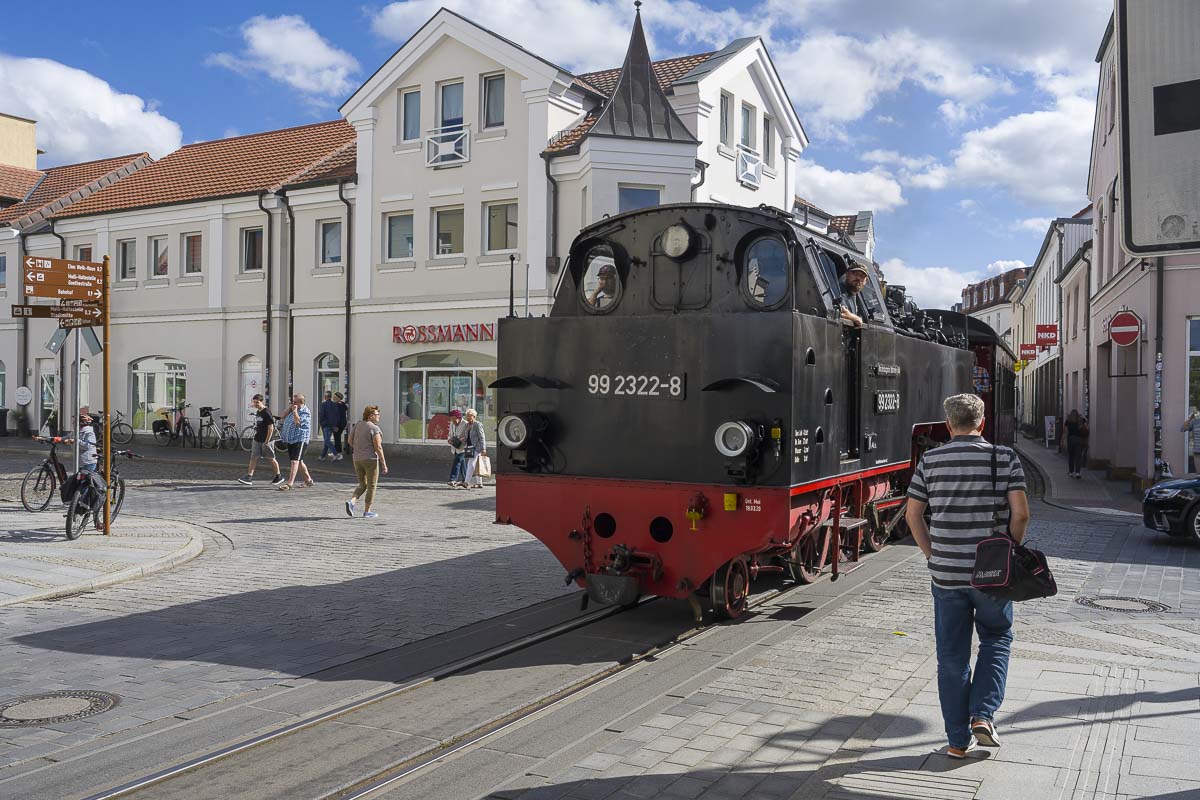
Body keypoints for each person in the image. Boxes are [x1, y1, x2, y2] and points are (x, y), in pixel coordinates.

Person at [905, 393, 1030, 759]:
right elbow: (1021, 514)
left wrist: (932, 554)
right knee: (996, 638)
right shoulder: (1004, 457)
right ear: (982, 422)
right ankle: (983, 716)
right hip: (992, 574)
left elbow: (913, 515)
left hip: (946, 575)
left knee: (951, 657)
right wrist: (1007, 550)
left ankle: (957, 742)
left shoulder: (930, 460)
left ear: (948, 425)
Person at [346, 405, 388, 518]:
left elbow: (349, 440)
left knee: (362, 484)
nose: (379, 416)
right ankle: (367, 511)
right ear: (370, 416)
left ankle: (351, 502)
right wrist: (383, 463)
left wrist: (359, 448)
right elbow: (378, 447)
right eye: (377, 414)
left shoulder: (358, 425)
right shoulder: (374, 428)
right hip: (370, 460)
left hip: (357, 459)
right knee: (371, 486)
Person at [238, 394, 282, 486]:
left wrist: (267, 441)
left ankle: (278, 476)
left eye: (257, 402)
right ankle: (249, 477)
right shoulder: (258, 411)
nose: (255, 404)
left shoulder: (267, 412)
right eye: (254, 402)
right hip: (257, 438)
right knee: (253, 457)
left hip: (267, 440)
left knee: (271, 458)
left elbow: (271, 427)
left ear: (262, 402)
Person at [277, 393, 313, 491]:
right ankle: (308, 480)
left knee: (294, 461)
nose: (292, 403)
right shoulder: (292, 409)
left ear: (300, 402)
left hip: (300, 439)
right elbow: (282, 416)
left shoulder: (305, 412)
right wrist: (290, 408)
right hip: (291, 440)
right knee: (299, 461)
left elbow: (298, 423)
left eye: (294, 402)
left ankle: (290, 483)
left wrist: (295, 411)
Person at [839, 262, 871, 328]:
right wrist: (855, 318)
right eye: (855, 274)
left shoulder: (860, 298)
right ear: (847, 274)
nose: (858, 278)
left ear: (866, 281)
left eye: (862, 276)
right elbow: (841, 311)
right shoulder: (839, 290)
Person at [462, 408, 488, 489]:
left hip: (477, 447)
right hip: (469, 447)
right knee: (476, 464)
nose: (467, 418)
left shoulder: (477, 424)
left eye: (469, 416)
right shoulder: (466, 425)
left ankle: (466, 482)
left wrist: (483, 448)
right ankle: (479, 483)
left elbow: (482, 437)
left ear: (474, 416)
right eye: (467, 416)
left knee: (471, 463)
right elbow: (466, 436)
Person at [446, 409, 469, 488]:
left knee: (457, 461)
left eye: (454, 418)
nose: (452, 420)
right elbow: (450, 433)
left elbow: (467, 435)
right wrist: (449, 439)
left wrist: (462, 439)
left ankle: (453, 479)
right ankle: (466, 480)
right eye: (451, 418)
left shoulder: (465, 424)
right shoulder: (452, 423)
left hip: (463, 447)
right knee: (462, 463)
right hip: (455, 446)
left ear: (459, 417)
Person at [1064, 410, 1089, 479]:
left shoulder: (1068, 421)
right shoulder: (1081, 420)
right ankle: (1078, 473)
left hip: (1070, 440)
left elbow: (1065, 431)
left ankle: (1071, 472)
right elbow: (1086, 425)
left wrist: (1064, 441)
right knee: (1078, 457)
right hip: (1079, 440)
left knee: (1071, 456)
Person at [319, 391, 339, 461]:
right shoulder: (335, 405)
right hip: (332, 425)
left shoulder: (323, 404)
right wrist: (335, 425)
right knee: (326, 441)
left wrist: (321, 423)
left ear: (325, 397)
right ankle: (322, 456)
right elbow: (337, 416)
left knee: (327, 441)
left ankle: (335, 454)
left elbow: (321, 415)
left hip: (326, 425)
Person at [333, 392, 349, 461]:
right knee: (337, 438)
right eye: (333, 397)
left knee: (337, 438)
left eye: (335, 397)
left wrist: (336, 425)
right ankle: (336, 452)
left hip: (338, 424)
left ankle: (339, 453)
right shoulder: (343, 404)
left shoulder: (337, 405)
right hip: (342, 423)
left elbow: (337, 417)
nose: (333, 398)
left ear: (339, 398)